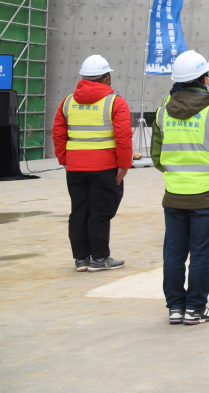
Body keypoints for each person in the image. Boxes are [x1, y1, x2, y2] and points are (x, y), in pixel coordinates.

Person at [152, 50, 209, 325]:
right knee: (201, 255)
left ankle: (176, 308)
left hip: (174, 194)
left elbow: (157, 156)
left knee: (174, 255)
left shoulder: (163, 112)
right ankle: (195, 309)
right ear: (203, 79)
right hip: (208, 196)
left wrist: (177, 174)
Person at [53, 54, 132, 273]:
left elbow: (58, 134)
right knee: (100, 212)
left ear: (83, 78)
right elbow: (123, 137)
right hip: (104, 168)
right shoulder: (115, 102)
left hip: (75, 168)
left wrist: (64, 160)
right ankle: (99, 258)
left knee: (79, 211)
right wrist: (124, 165)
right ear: (106, 78)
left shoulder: (67, 102)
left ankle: (81, 259)